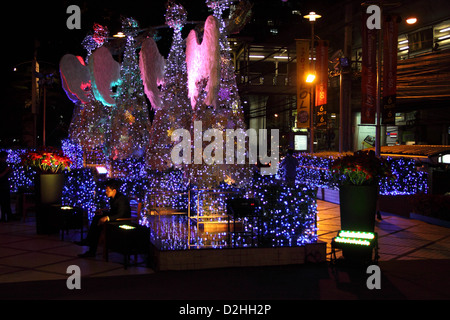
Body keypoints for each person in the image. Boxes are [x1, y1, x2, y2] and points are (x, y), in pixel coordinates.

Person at [77, 179, 131, 258]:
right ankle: (90, 242)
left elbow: (121, 214)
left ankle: (91, 246)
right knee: (97, 218)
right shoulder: (113, 198)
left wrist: (107, 217)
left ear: (114, 190)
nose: (106, 192)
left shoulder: (121, 199)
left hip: (120, 221)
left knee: (97, 225)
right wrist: (103, 213)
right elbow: (113, 211)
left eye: (108, 190)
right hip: (115, 219)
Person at [0, 151, 13, 222]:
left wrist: (9, 171)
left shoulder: (4, 164)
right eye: (5, 158)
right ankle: (3, 217)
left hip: (5, 185)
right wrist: (6, 171)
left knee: (7, 202)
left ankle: (8, 216)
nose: (5, 159)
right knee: (3, 202)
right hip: (1, 186)